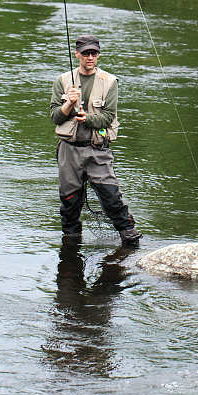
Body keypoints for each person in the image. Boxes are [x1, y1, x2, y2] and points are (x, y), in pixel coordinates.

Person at [50, 34, 142, 245]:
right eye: (86, 53)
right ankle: (71, 243)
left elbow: (108, 117)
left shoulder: (109, 82)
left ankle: (129, 236)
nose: (90, 57)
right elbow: (55, 117)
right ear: (77, 54)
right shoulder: (62, 81)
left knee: (111, 196)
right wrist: (68, 104)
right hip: (68, 150)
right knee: (69, 201)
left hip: (97, 149)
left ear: (98, 55)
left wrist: (87, 119)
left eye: (94, 53)